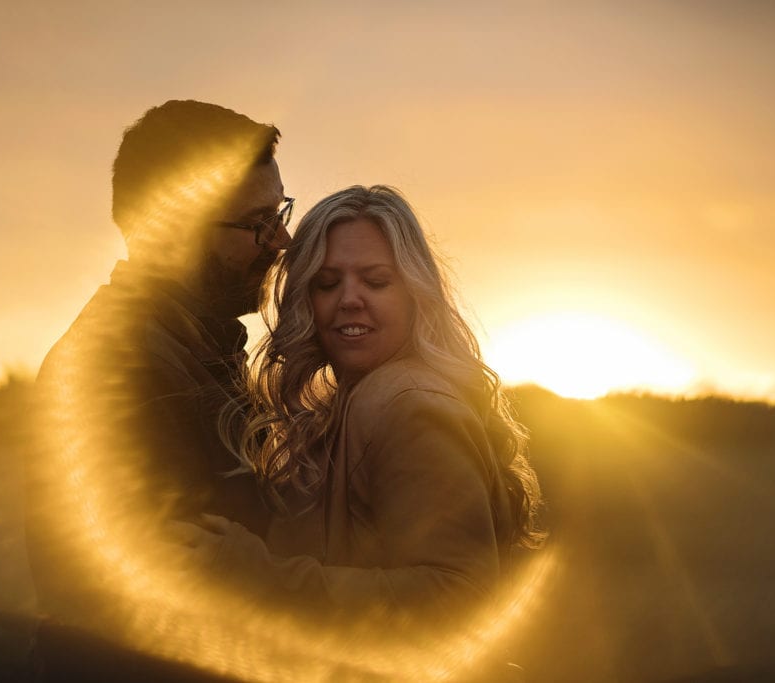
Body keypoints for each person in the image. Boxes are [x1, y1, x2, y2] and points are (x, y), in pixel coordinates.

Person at [183, 185, 543, 675]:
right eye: (327, 283)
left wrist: (261, 577)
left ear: (416, 294)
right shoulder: (357, 399)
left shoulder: (410, 405)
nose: (349, 299)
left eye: (376, 281)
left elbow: (458, 596)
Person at [24, 100, 291, 681]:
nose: (282, 239)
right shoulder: (121, 373)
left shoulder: (200, 348)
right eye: (257, 223)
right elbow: (165, 615)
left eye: (281, 212)